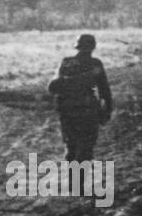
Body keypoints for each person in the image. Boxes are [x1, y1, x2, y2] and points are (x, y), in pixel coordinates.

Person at [47, 33, 113, 183]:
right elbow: (104, 90)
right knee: (86, 146)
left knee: (71, 146)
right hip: (87, 110)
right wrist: (107, 110)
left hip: (67, 111)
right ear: (93, 47)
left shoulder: (66, 62)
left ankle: (72, 183)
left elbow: (52, 87)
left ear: (77, 46)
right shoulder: (95, 64)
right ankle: (79, 184)